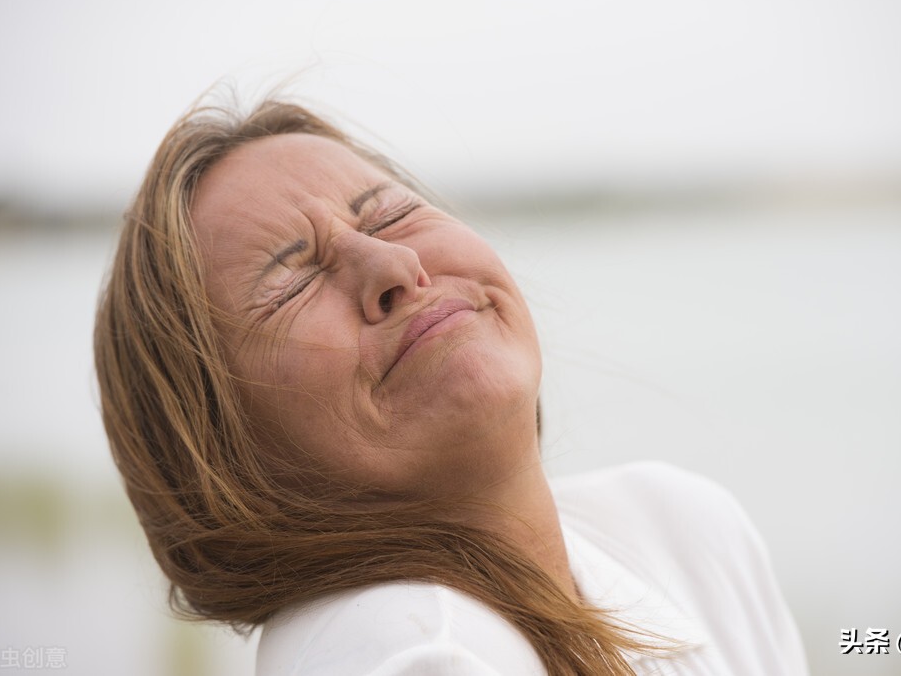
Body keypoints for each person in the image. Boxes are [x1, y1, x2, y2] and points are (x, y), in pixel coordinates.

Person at [94, 96, 808, 675]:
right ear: (219, 454)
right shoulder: (402, 650)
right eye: (291, 278)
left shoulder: (681, 528)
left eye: (389, 213)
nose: (394, 266)